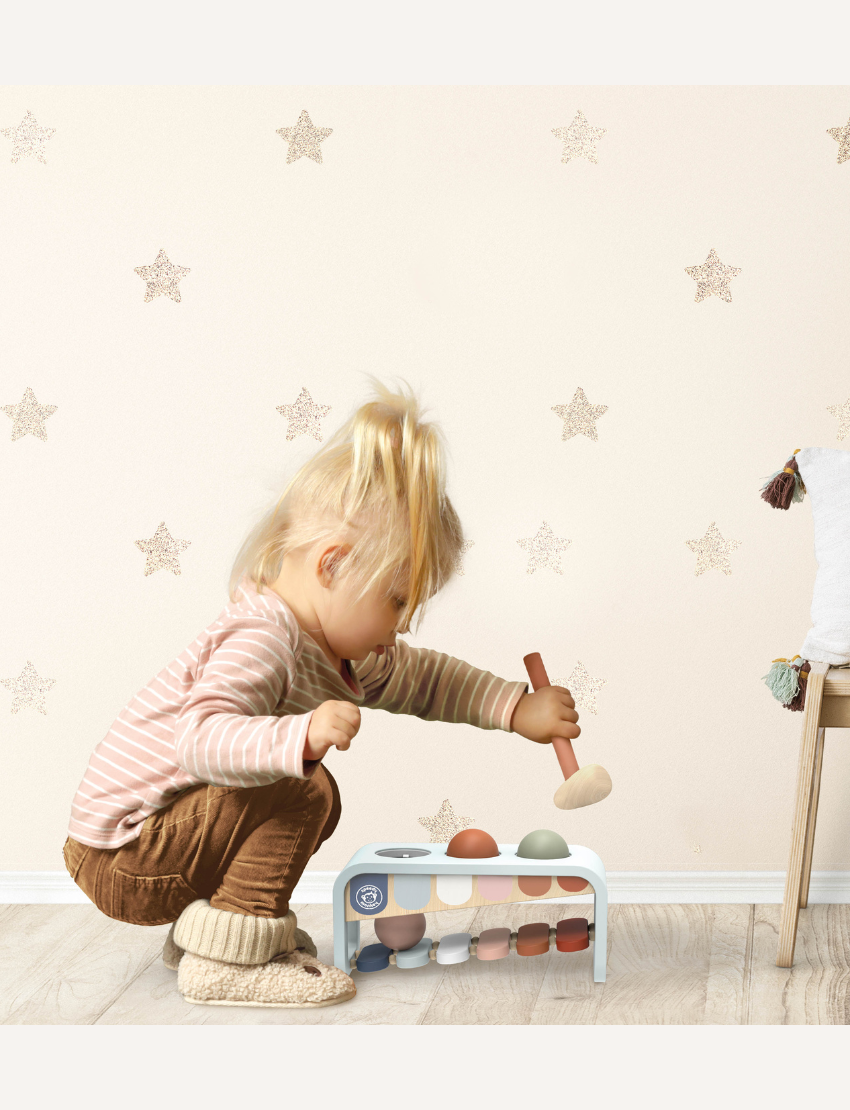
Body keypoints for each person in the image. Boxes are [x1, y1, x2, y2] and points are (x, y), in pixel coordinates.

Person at [62, 374, 580, 1008]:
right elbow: (197, 741)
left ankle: (209, 933)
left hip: (154, 842)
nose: (401, 625)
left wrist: (514, 707)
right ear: (333, 564)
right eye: (396, 601)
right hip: (126, 850)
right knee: (305, 790)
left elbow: (425, 680)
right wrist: (298, 733)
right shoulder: (263, 636)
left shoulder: (337, 652)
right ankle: (231, 958)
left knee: (310, 796)